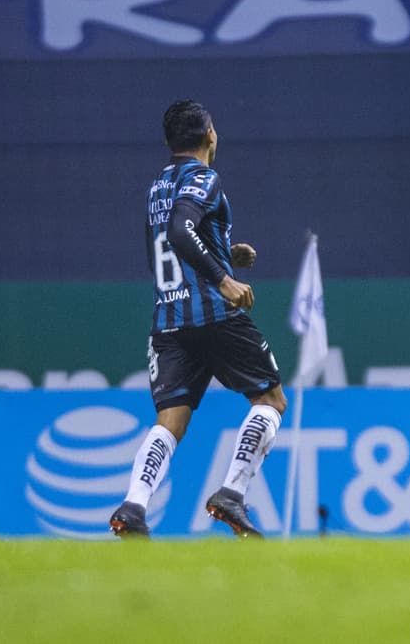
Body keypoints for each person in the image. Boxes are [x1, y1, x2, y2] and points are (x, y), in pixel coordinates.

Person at [110, 100, 287, 539]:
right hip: (212, 313)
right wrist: (224, 279)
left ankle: (133, 505)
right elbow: (179, 230)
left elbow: (165, 249)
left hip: (168, 319)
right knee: (271, 400)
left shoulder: (157, 186)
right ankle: (231, 492)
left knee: (171, 420)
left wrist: (226, 254)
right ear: (210, 135)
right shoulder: (204, 177)